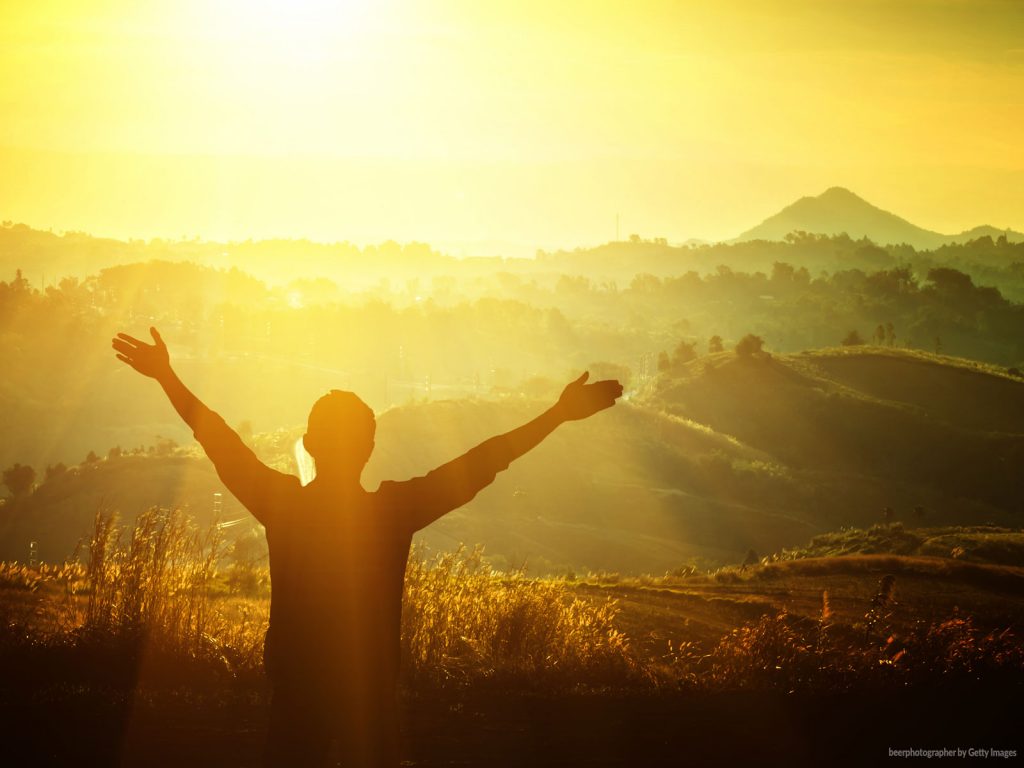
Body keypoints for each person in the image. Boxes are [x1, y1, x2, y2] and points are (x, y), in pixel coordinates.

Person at [112, 327, 623, 767]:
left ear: (309, 446)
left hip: (297, 694)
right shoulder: (392, 512)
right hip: (371, 699)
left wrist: (167, 377)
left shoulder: (284, 506)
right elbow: (484, 461)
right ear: (370, 449)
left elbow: (218, 439)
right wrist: (555, 415)